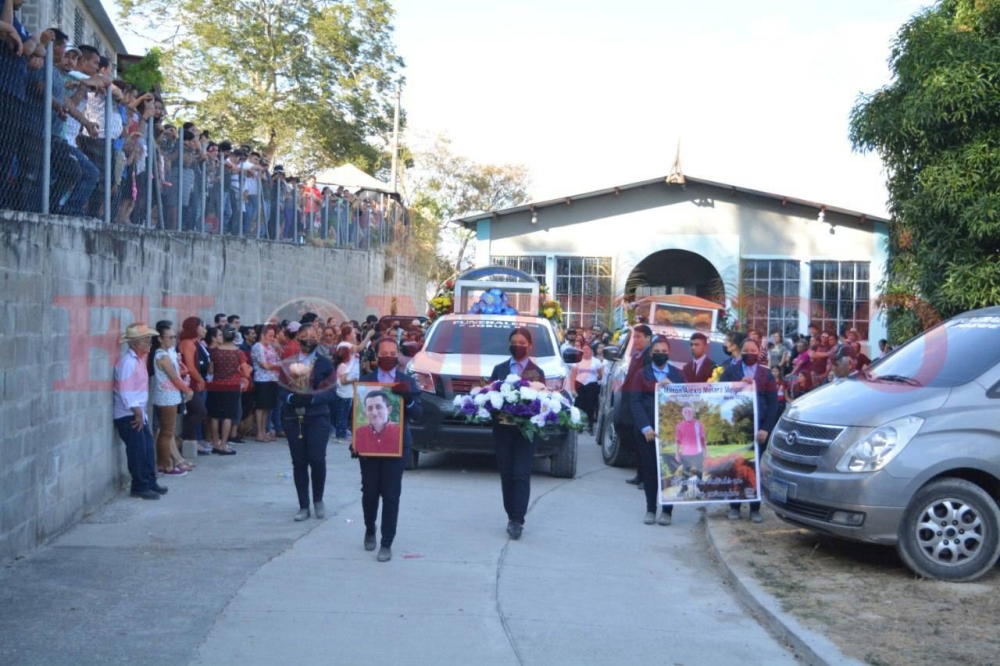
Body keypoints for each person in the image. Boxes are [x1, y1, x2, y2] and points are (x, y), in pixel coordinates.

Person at [354, 336, 423, 561]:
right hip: (369, 448)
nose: (388, 357)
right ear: (376, 354)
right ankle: (369, 528)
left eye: (392, 354)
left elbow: (419, 413)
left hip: (398, 446)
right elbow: (353, 415)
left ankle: (386, 542)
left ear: (398, 355)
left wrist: (408, 400)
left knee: (391, 495)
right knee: (370, 492)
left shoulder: (407, 381)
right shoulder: (366, 380)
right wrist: (355, 441)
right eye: (383, 353)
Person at [489, 327, 545, 540]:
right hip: (503, 430)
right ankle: (510, 513)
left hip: (525, 432)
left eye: (522, 342)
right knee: (506, 473)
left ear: (529, 345)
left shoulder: (536, 372)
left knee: (521, 474)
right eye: (515, 341)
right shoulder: (499, 369)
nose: (518, 345)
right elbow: (489, 395)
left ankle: (517, 520)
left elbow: (542, 401)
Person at [279, 323, 338, 522]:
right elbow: (280, 389)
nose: (309, 338)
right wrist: (291, 399)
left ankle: (318, 499)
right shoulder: (287, 363)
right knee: (299, 462)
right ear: (298, 337)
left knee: (317, 458)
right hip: (293, 418)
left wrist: (312, 398)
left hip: (317, 417)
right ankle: (303, 505)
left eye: (313, 335)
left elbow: (331, 391)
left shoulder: (325, 364)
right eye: (305, 335)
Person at [719, 337, 778, 523]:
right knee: (736, 467)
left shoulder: (766, 375)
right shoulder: (731, 372)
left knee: (755, 470)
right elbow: (719, 395)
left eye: (753, 350)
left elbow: (773, 404)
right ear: (740, 351)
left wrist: (765, 429)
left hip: (758, 431)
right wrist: (738, 387)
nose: (750, 353)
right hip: (738, 429)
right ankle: (734, 507)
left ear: (758, 352)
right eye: (746, 350)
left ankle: (754, 508)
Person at [630, 335, 684, 525]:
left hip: (670, 433)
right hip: (648, 433)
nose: (660, 354)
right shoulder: (642, 374)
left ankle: (667, 511)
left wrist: (675, 387)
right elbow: (635, 402)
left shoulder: (677, 374)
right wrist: (645, 427)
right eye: (657, 352)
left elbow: (686, 401)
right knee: (650, 470)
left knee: (670, 471)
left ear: (669, 353)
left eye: (664, 352)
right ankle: (651, 509)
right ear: (651, 353)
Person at [113, 323, 167, 500]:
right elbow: (126, 391)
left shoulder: (138, 360)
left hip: (137, 413)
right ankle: (140, 485)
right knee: (137, 451)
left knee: (147, 449)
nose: (150, 344)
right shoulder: (128, 362)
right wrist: (137, 412)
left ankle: (149, 482)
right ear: (136, 344)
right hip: (129, 415)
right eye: (146, 341)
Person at [149, 320, 194, 476]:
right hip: (166, 397)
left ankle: (166, 463)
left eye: (174, 337)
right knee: (167, 432)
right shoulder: (162, 355)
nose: (173, 340)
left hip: (170, 396)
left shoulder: (168, 354)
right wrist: (187, 390)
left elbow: (176, 376)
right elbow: (174, 378)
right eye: (169, 337)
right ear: (160, 339)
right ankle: (165, 465)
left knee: (167, 432)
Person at [616, 324, 652, 487]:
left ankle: (646, 477)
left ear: (648, 339)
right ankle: (640, 474)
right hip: (629, 401)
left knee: (644, 445)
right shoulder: (637, 355)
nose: (635, 340)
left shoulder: (649, 356)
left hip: (641, 404)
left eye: (639, 337)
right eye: (634, 337)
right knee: (635, 442)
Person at [178, 317, 212, 455]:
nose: (204, 330)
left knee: (193, 412)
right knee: (200, 411)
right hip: (188, 384)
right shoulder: (188, 343)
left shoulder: (194, 343)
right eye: (202, 326)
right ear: (195, 328)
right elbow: (191, 368)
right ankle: (182, 438)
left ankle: (190, 444)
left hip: (191, 383)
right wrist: (201, 380)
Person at [206, 325, 242, 455]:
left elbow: (210, 369)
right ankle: (223, 444)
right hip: (232, 386)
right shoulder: (238, 352)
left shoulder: (214, 352)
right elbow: (243, 369)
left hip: (216, 385)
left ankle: (215, 442)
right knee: (228, 416)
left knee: (215, 415)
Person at [252, 324, 280, 442]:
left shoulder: (270, 347)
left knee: (267, 407)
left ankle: (264, 431)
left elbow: (277, 359)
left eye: (273, 336)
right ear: (263, 335)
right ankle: (259, 432)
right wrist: (277, 367)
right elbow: (263, 364)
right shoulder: (258, 346)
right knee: (261, 407)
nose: (272, 338)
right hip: (262, 379)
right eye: (270, 336)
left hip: (272, 378)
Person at [569, 340, 602, 435]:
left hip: (592, 386)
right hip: (580, 385)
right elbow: (573, 376)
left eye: (587, 349)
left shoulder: (596, 361)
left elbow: (600, 375)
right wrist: (573, 389)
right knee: (579, 406)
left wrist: (596, 379)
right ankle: (580, 425)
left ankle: (590, 426)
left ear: (591, 350)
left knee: (590, 407)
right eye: (583, 349)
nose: (585, 351)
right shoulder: (577, 360)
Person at [674, 406, 707, 499]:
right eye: (685, 412)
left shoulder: (698, 424)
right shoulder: (679, 426)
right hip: (685, 454)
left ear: (693, 413)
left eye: (690, 412)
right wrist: (676, 453)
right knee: (685, 472)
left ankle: (701, 490)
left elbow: (703, 439)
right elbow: (677, 441)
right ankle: (684, 488)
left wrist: (706, 452)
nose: (688, 413)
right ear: (682, 414)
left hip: (698, 452)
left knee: (699, 473)